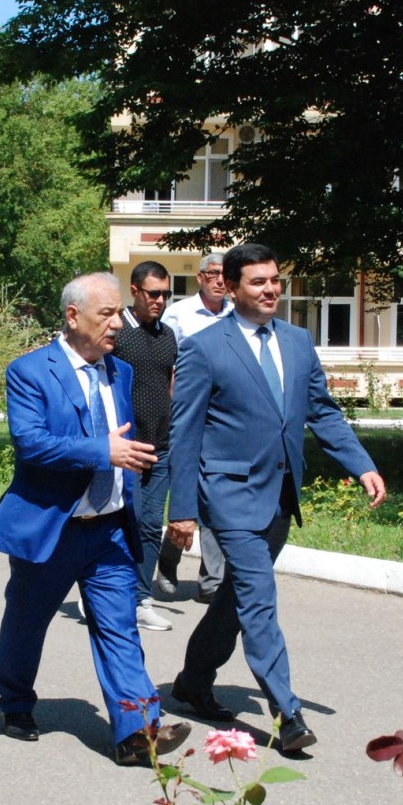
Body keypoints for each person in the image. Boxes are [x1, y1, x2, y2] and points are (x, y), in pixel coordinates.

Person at [167, 243, 386, 753]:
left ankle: (193, 680)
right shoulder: (204, 347)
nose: (270, 290)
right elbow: (186, 433)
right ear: (230, 286)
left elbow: (322, 412)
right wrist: (180, 510)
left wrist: (362, 465)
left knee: (234, 599)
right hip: (229, 494)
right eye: (258, 282)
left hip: (281, 495)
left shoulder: (297, 341)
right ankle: (287, 713)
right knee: (259, 600)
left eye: (276, 280)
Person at [0, 271, 191, 766]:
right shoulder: (29, 370)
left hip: (109, 530)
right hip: (53, 527)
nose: (118, 323)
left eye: (119, 313)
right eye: (107, 314)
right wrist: (103, 451)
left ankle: (139, 731)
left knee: (120, 628)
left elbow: (125, 441)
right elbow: (31, 444)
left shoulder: (121, 371)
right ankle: (14, 704)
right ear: (73, 316)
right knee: (27, 623)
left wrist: (129, 468)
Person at [162, 251, 233, 602]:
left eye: (225, 275)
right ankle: (167, 562)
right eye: (214, 274)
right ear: (201, 278)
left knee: (215, 494)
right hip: (189, 414)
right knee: (187, 488)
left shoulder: (238, 315)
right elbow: (168, 366)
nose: (220, 280)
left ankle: (211, 579)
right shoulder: (179, 314)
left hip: (224, 419)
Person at [113, 261, 179, 632]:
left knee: (152, 524)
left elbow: (168, 383)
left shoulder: (167, 335)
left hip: (161, 444)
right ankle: (108, 596)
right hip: (126, 446)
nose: (160, 301)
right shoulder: (117, 330)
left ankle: (140, 600)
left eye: (166, 294)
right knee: (126, 521)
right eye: (153, 294)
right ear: (135, 291)